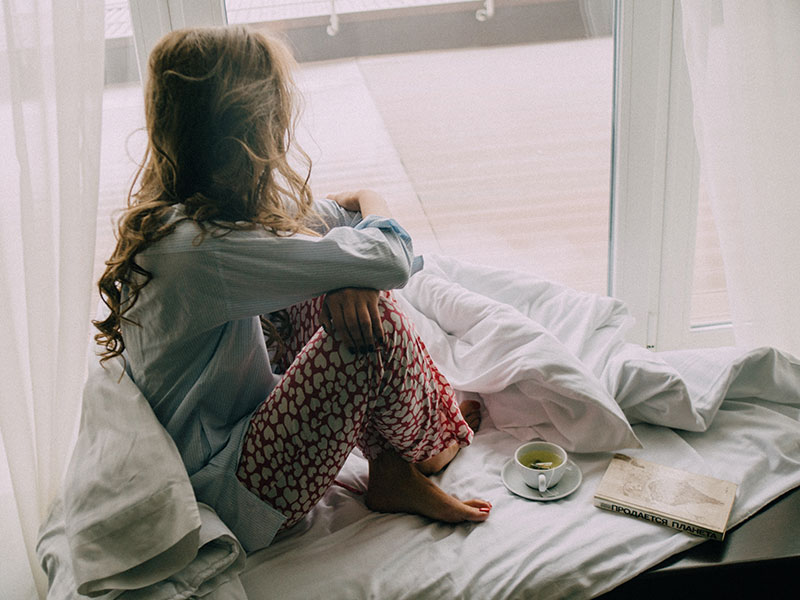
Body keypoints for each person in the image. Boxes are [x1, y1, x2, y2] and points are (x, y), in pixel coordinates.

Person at [93, 25, 490, 552]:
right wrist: (370, 200)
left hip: (233, 443)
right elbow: (389, 258)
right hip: (231, 489)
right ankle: (431, 448)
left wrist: (349, 259)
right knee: (374, 313)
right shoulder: (199, 250)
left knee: (339, 288)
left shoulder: (190, 213)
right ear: (252, 127)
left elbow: (329, 221)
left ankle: (393, 467)